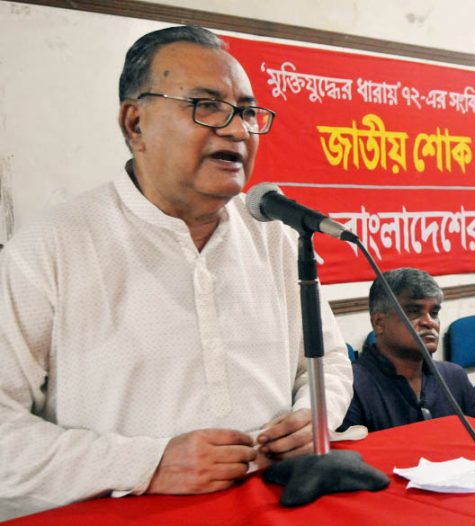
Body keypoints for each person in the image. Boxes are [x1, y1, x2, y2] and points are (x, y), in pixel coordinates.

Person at [0, 26, 352, 518]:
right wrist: (147, 464)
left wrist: (313, 414)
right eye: (206, 106)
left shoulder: (273, 236)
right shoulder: (51, 246)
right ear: (135, 123)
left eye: (247, 112)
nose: (236, 130)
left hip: (276, 504)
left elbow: (329, 362)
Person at [338, 268, 475, 432]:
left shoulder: (455, 378)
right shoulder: (350, 387)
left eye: (434, 313)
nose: (429, 322)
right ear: (379, 323)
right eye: (414, 312)